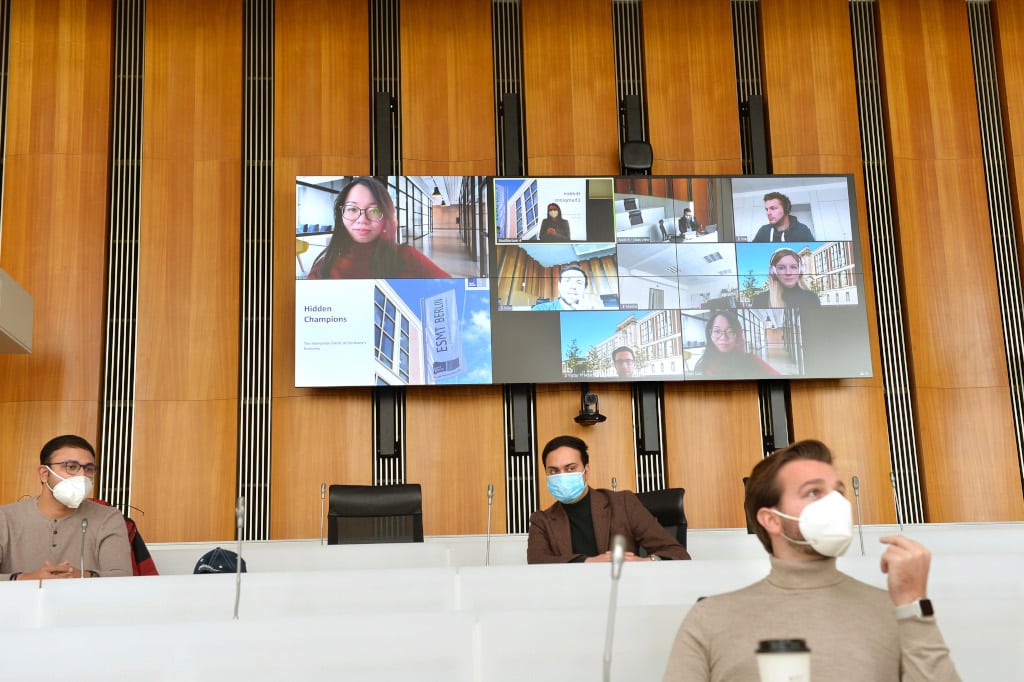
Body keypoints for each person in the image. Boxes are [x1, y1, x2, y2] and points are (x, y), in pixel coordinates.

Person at [663, 440, 960, 681]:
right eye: (814, 492)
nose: (836, 504)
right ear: (771, 519)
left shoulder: (896, 611)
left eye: (839, 492)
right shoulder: (710, 619)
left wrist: (913, 603)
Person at [527, 435, 691, 563]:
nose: (562, 476)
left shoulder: (623, 503)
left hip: (624, 594)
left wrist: (647, 561)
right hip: (572, 598)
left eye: (570, 468)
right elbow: (537, 561)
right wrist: (587, 562)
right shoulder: (541, 520)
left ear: (586, 471)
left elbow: (677, 552)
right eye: (554, 471)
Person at [1, 435, 132, 581]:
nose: (82, 476)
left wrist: (81, 576)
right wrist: (26, 578)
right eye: (71, 467)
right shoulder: (5, 517)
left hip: (86, 603)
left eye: (89, 469)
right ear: (44, 474)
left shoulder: (108, 517)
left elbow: (122, 577)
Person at [306, 176, 451, 279]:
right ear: (341, 214)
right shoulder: (323, 267)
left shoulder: (407, 257)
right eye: (352, 209)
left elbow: (457, 297)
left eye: (374, 210)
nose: (362, 220)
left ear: (386, 216)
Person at [691, 310, 780, 379]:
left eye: (730, 331)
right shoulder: (702, 365)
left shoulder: (752, 361)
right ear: (709, 334)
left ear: (737, 335)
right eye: (717, 331)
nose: (723, 337)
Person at [750, 247, 822, 308]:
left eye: (793, 267)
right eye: (781, 267)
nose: (788, 272)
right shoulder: (760, 300)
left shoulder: (811, 298)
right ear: (773, 271)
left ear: (800, 270)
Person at [531, 265, 597, 310]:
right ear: (559, 286)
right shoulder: (540, 310)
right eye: (567, 281)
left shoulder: (593, 312)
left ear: (585, 289)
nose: (573, 286)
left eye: (579, 282)